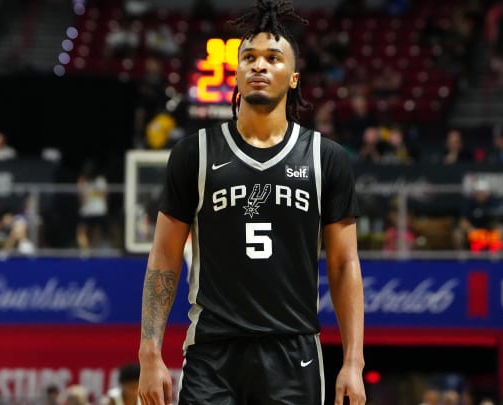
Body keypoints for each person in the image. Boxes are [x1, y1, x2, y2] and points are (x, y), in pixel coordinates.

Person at [136, 1, 366, 405]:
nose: (259, 66)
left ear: (293, 77)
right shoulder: (195, 154)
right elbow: (164, 257)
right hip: (212, 352)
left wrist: (353, 361)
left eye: (273, 58)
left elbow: (345, 263)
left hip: (292, 350)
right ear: (237, 74)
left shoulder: (325, 158)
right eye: (249, 58)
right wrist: (149, 352)